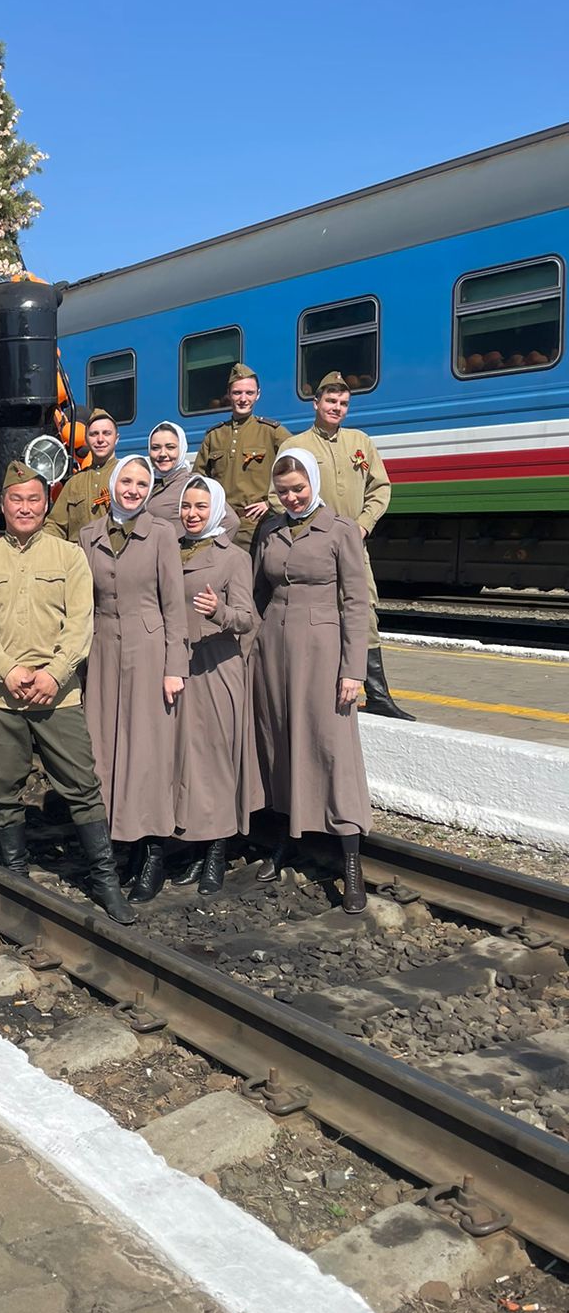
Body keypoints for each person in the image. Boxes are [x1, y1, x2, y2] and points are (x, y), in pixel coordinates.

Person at [0, 460, 135, 924]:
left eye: (34, 499)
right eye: (16, 499)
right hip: (0, 694)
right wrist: (7, 670)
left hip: (58, 695)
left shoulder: (68, 556)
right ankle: (16, 875)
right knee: (3, 787)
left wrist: (55, 674)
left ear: (45, 504)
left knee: (82, 785)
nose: (25, 507)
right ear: (2, 505)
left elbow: (81, 622)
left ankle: (104, 879)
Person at [249, 447, 371, 915]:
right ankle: (286, 838)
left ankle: (351, 858)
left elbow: (356, 603)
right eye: (283, 492)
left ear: (313, 484)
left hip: (323, 654)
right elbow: (257, 593)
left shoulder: (340, 531)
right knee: (281, 742)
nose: (292, 498)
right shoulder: (270, 529)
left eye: (298, 489)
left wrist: (353, 670)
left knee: (332, 748)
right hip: (273, 651)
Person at [78, 455, 189, 903]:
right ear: (112, 483)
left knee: (146, 753)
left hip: (149, 650)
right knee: (104, 751)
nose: (134, 489)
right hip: (102, 649)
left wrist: (174, 667)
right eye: (127, 480)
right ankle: (118, 847)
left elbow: (174, 607)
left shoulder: (162, 534)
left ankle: (152, 853)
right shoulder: (89, 535)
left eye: (143, 483)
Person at [277, 372, 413, 720]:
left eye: (343, 403)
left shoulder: (360, 442)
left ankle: (379, 695)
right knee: (321, 617)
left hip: (353, 545)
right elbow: (277, 498)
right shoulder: (295, 446)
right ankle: (323, 686)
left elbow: (380, 488)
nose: (337, 408)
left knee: (363, 612)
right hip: (312, 550)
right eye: (331, 401)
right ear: (316, 403)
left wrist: (363, 525)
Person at [170, 475, 255, 899]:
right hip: (176, 665)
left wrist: (220, 611)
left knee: (216, 758)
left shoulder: (233, 557)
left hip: (217, 666)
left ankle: (217, 849)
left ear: (217, 510)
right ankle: (190, 843)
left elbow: (247, 619)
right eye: (187, 506)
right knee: (183, 759)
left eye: (201, 507)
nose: (192, 513)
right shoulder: (169, 548)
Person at [196, 364, 291, 551]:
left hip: (258, 526)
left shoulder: (272, 432)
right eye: (237, 393)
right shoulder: (214, 436)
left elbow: (299, 467)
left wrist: (272, 502)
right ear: (229, 395)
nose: (243, 399)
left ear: (258, 395)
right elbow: (198, 481)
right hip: (221, 527)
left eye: (249, 393)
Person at [147, 418, 239, 539]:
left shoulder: (192, 483)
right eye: (155, 448)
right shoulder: (147, 482)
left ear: (182, 449)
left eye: (170, 447)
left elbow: (231, 522)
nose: (162, 454)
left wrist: (202, 552)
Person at [48, 407, 119, 542]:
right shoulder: (74, 483)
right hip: (80, 558)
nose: (100, 439)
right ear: (86, 438)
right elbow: (55, 525)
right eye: (94, 434)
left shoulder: (127, 475)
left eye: (106, 433)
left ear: (116, 438)